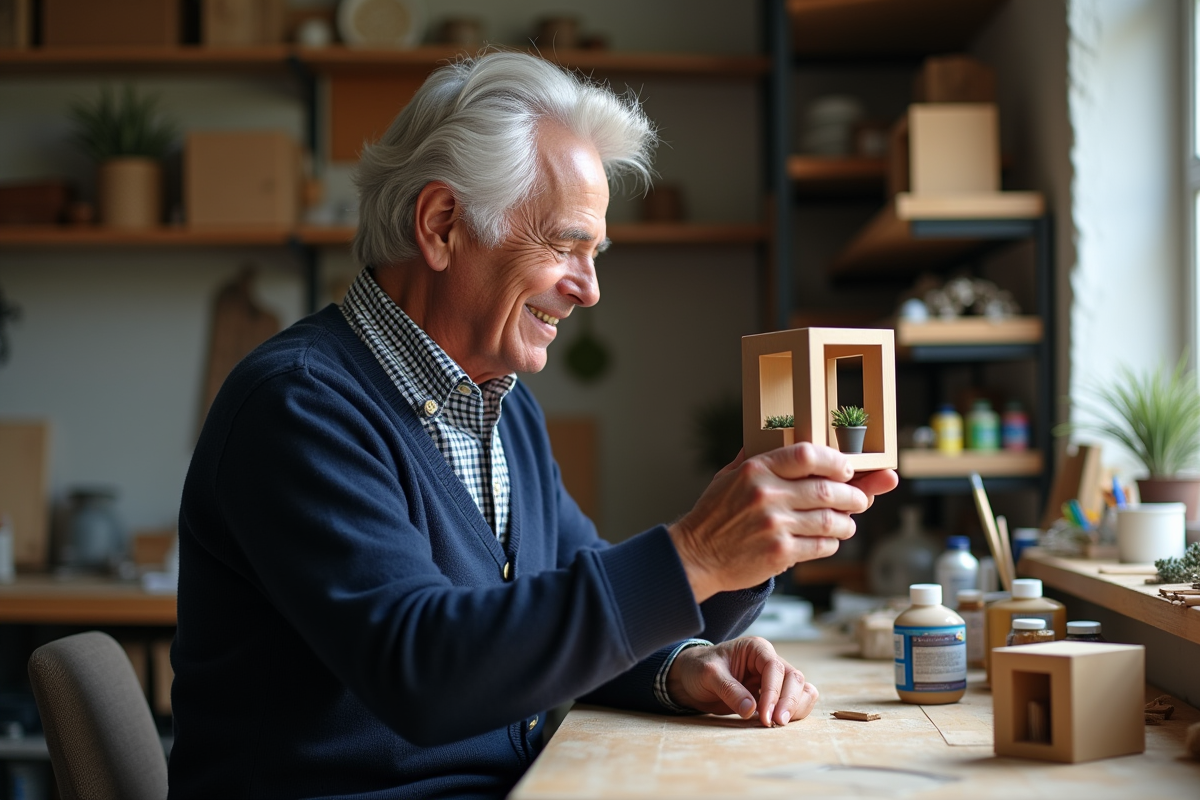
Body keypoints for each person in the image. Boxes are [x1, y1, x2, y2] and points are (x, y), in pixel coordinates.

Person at [167, 52, 898, 799]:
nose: (589, 288)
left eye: (595, 252)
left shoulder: (503, 405)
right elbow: (426, 672)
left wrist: (685, 657)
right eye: (565, 244)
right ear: (443, 224)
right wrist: (699, 551)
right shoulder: (299, 406)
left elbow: (552, 622)